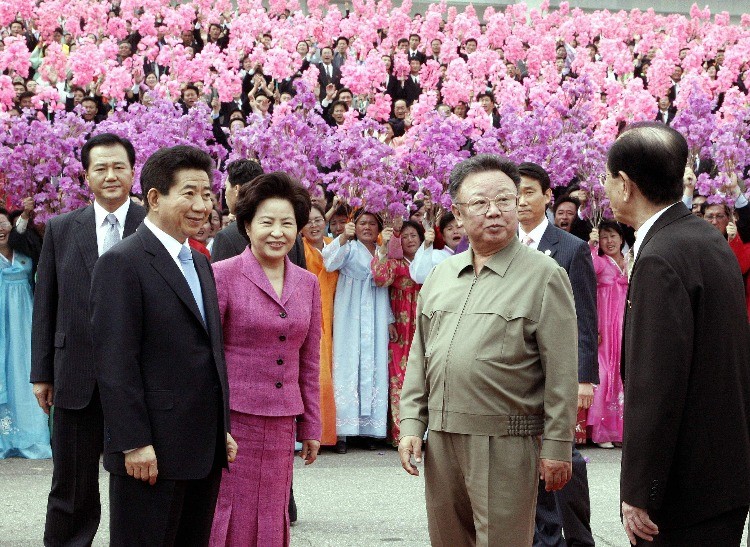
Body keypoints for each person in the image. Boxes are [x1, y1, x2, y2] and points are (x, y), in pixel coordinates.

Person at [398, 154, 579, 546]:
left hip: (505, 441)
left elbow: (562, 371)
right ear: (458, 215)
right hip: (442, 440)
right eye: (479, 203)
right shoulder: (441, 276)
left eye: (505, 200)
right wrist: (411, 423)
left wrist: (558, 447)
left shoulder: (545, 276)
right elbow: (420, 355)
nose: (494, 211)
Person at [604, 122, 750, 545]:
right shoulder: (706, 238)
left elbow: (657, 384)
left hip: (681, 490)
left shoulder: (660, 257)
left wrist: (639, 491)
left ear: (626, 185)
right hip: (722, 476)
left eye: (608, 178)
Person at [89, 145, 237, 546]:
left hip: (201, 448)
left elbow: (208, 354)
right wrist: (133, 442)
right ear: (155, 198)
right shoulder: (123, 262)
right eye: (188, 193)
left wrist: (220, 427)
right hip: (150, 454)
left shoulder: (200, 262)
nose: (201, 205)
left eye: (207, 194)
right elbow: (115, 362)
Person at [30, 133, 146, 545]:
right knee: (72, 486)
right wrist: (42, 372)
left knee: (137, 480)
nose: (110, 175)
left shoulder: (153, 225)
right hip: (76, 376)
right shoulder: (62, 229)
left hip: (139, 380)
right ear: (86, 175)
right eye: (101, 168)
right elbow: (46, 303)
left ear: (134, 171)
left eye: (119, 166)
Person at [210, 172, 321, 546]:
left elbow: (309, 359)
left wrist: (311, 426)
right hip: (233, 418)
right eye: (267, 222)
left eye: (287, 223)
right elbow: (207, 357)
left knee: (272, 509)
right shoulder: (221, 276)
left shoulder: (307, 283)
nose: (278, 232)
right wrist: (213, 420)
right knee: (230, 507)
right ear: (246, 225)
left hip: (282, 419)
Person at [516, 162, 598, 547]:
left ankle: (572, 536)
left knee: (561, 460)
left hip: (556, 375)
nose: (520, 200)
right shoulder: (498, 243)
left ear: (548, 196)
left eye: (529, 191)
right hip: (513, 377)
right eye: (513, 192)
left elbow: (584, 318)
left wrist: (584, 377)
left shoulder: (571, 249)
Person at [323, 210, 393, 453]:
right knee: (348, 363)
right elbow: (328, 261)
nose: (367, 227)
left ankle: (371, 431)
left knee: (374, 365)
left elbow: (386, 285)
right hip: (350, 314)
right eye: (362, 223)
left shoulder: (383, 251)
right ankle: (343, 432)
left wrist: (390, 320)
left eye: (372, 224)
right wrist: (342, 237)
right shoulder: (350, 248)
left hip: (376, 311)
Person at [0, 208, 51, 459]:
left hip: (25, 321)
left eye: (3, 223)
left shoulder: (25, 252)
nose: (0, 229)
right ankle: (6, 438)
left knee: (25, 373)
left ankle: (30, 437)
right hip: (1, 326)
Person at [371, 220, 423, 444]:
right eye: (405, 236)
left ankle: (424, 433)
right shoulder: (395, 263)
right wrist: (383, 247)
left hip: (424, 323)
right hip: (400, 328)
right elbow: (380, 279)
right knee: (399, 381)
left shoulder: (430, 259)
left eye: (414, 235)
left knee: (426, 378)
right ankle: (401, 435)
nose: (410, 239)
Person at [212, 160, 306, 268]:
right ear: (247, 227)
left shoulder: (226, 236)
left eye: (226, 187)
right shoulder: (295, 237)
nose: (277, 233)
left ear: (237, 189)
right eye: (267, 222)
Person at [586, 221, 628, 448]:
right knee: (604, 372)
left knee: (623, 372)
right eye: (604, 237)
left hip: (625, 325)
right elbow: (587, 270)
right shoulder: (599, 261)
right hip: (604, 326)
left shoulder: (630, 260)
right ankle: (602, 431)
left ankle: (621, 431)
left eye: (613, 236)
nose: (609, 241)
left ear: (621, 238)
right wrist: (591, 244)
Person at [301, 204, 339, 447]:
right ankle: (317, 434)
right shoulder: (297, 249)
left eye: (318, 220)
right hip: (313, 314)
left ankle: (340, 431)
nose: (314, 225)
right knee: (318, 375)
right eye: (309, 221)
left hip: (339, 314)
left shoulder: (334, 244)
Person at [409, 211, 465, 284]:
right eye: (449, 229)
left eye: (459, 227)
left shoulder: (476, 253)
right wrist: (427, 246)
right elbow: (420, 277)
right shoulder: (435, 256)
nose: (455, 231)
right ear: (443, 236)